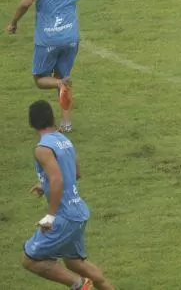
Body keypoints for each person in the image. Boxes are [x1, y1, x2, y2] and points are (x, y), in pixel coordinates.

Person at [6, 0, 101, 132]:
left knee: (40, 78)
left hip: (48, 39)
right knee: (64, 76)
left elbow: (25, 3)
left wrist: (14, 22)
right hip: (70, 38)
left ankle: (59, 83)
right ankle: (66, 123)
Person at [21, 100, 115, 290]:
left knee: (29, 260)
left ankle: (78, 285)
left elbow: (58, 180)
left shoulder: (42, 148)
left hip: (65, 216)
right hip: (78, 210)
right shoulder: (63, 140)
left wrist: (50, 216)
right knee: (74, 263)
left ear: (31, 123)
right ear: (51, 118)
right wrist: (44, 184)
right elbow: (75, 172)